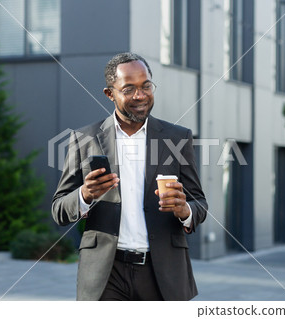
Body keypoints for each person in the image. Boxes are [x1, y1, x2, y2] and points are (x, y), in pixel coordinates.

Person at [51, 52, 207, 301]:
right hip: (105, 276)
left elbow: (200, 204)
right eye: (129, 89)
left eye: (146, 86)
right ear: (110, 94)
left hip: (163, 275)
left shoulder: (177, 138)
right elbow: (58, 209)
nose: (140, 96)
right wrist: (84, 195)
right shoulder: (84, 139)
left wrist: (184, 210)